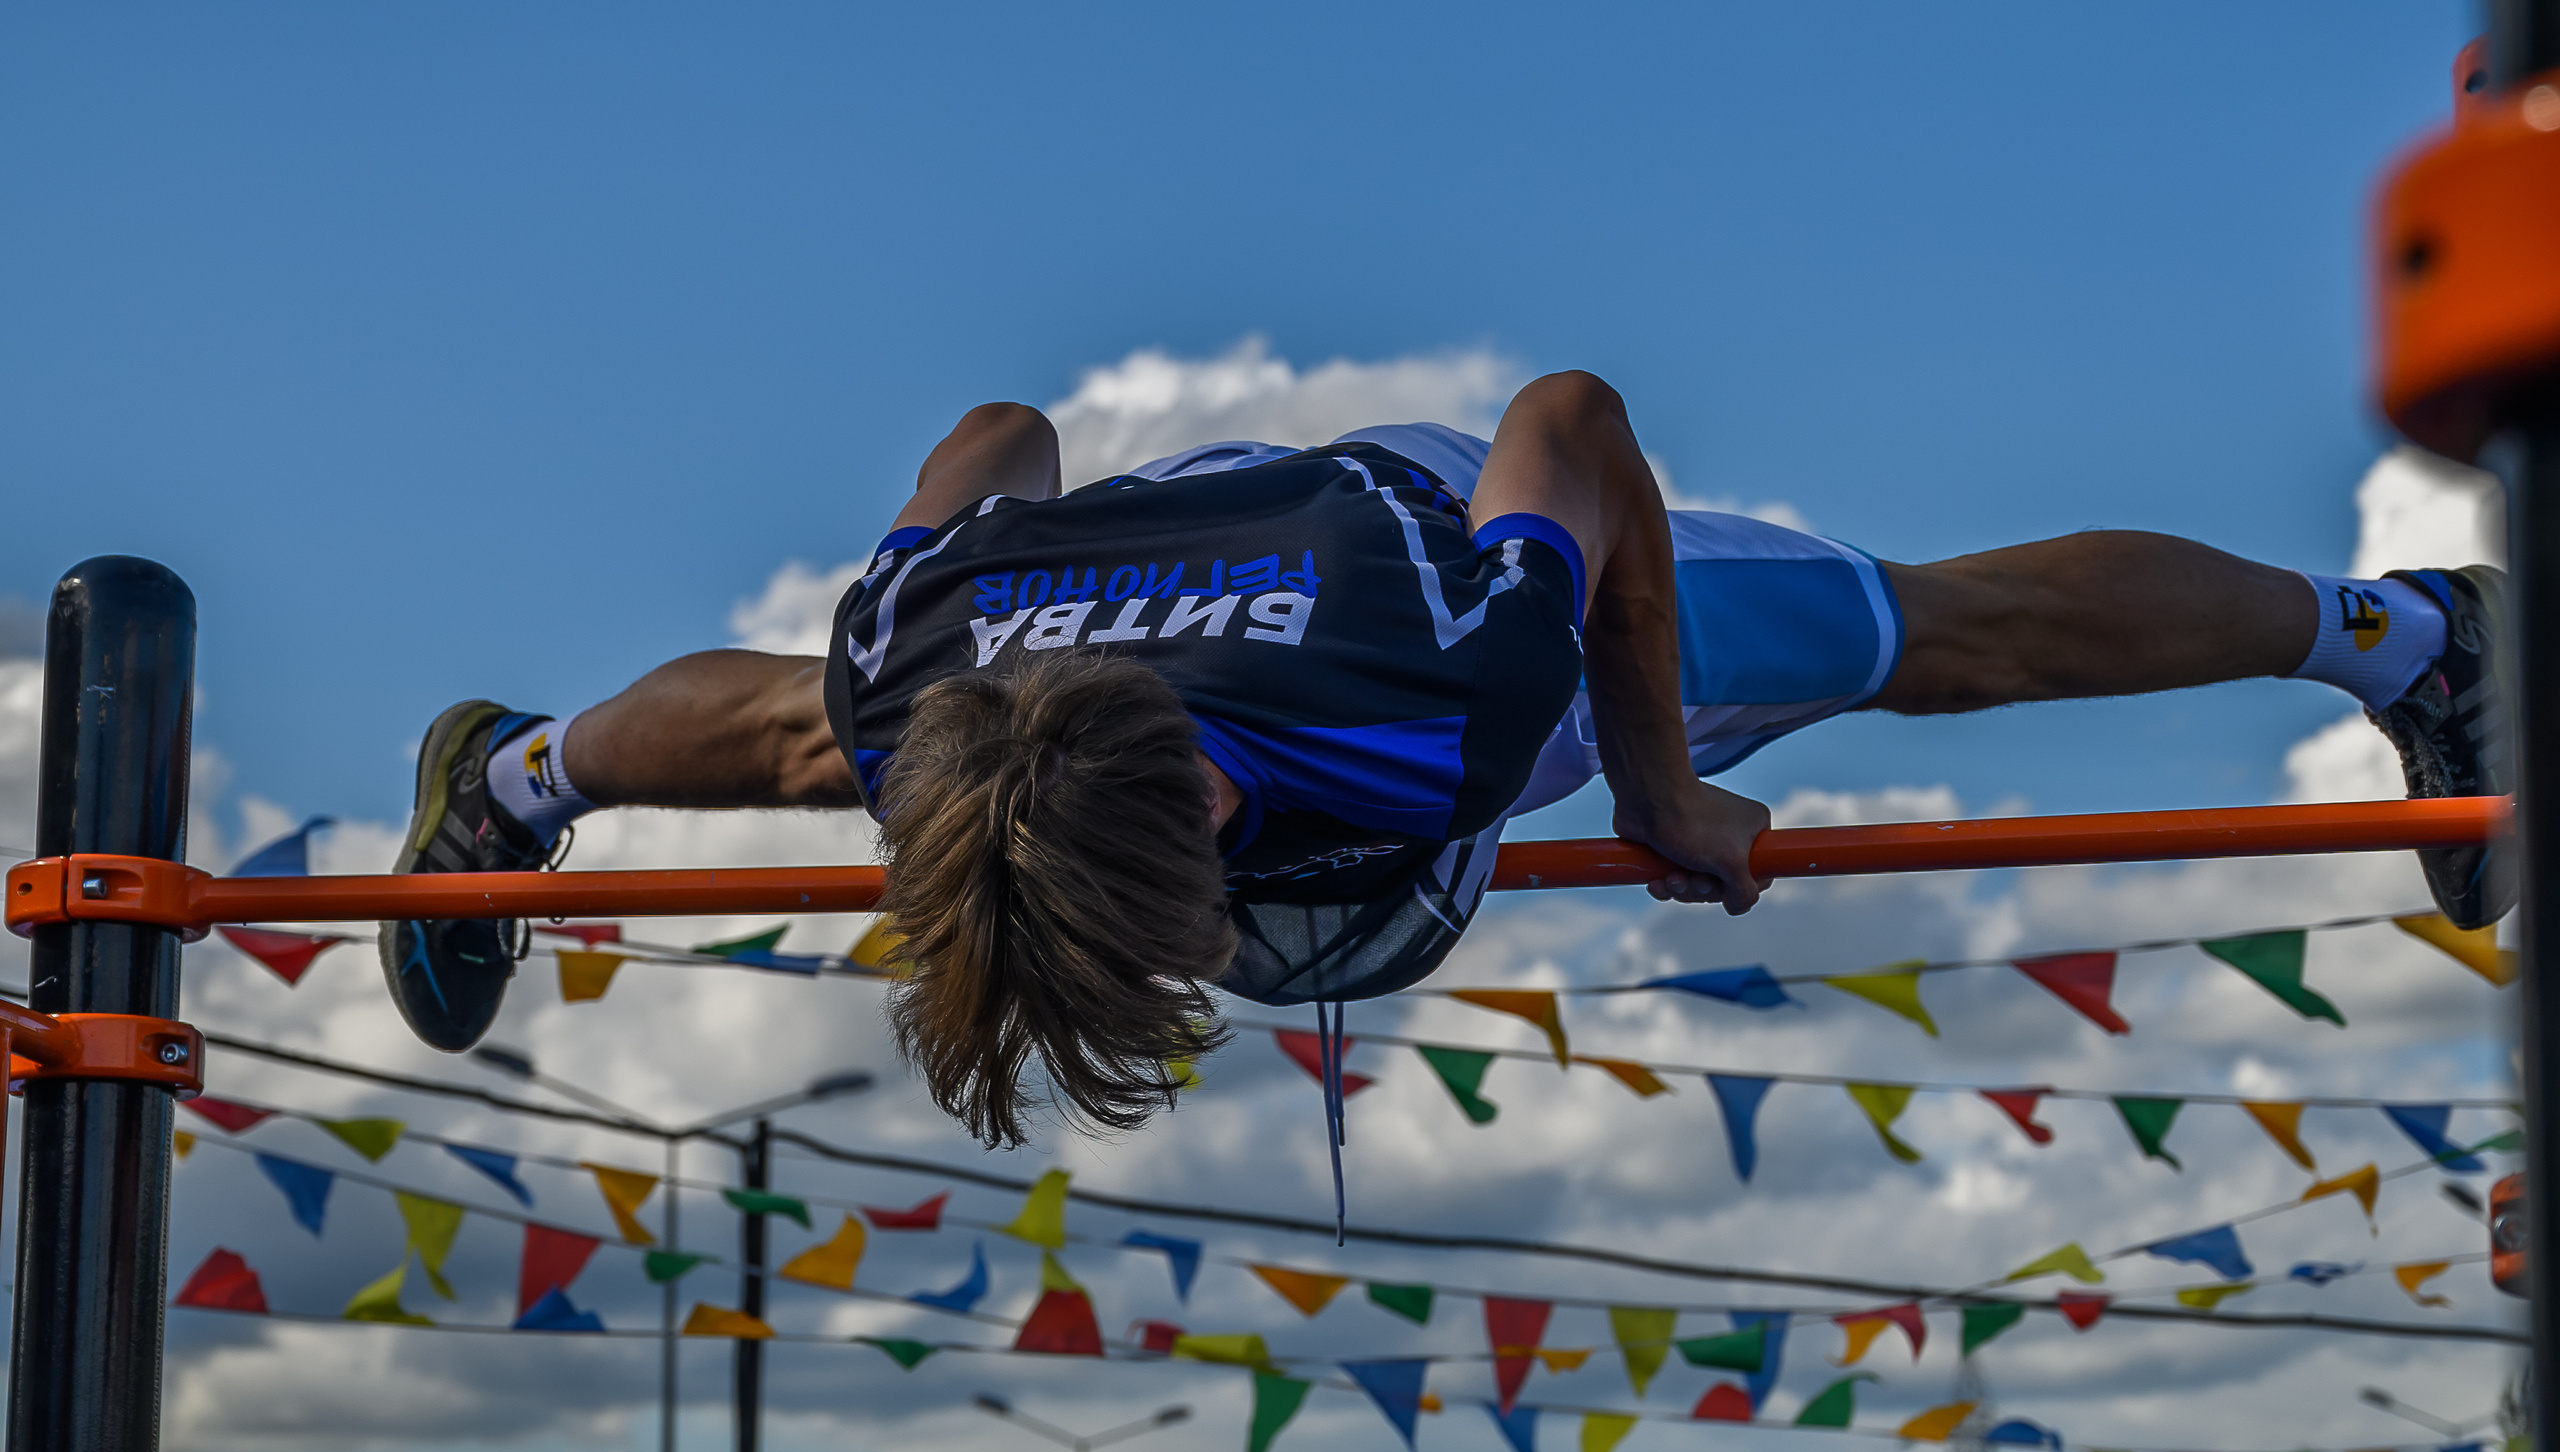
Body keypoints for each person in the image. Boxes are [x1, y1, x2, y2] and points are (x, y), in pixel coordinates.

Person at [380, 372, 2509, 1148]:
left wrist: (1664, 788)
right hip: (1088, 579)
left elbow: (1568, 430)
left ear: (1211, 810)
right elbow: (993, 444)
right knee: (783, 735)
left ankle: (2412, 640)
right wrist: (1001, 549)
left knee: (1943, 639)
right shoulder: (906, 681)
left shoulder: (1470, 678)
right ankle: (508, 785)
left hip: (1429, 522)